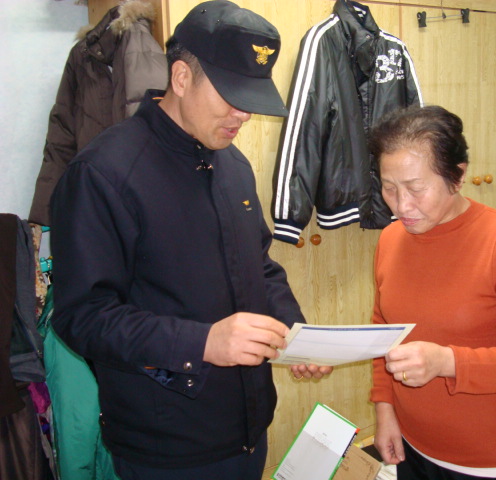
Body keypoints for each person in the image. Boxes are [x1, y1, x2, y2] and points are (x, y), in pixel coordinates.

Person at [49, 2, 330, 479]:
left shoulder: (233, 165)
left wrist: (295, 331)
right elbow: (83, 316)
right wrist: (203, 342)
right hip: (167, 445)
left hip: (248, 428)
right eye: (231, 97)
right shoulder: (103, 173)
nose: (243, 114)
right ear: (181, 78)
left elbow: (258, 265)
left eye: (252, 97)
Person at [368, 105, 496, 480]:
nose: (402, 206)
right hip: (412, 440)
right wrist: (385, 410)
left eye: (416, 189)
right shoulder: (390, 238)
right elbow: (382, 330)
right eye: (389, 188)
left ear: (458, 176)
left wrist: (445, 361)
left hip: (488, 455)